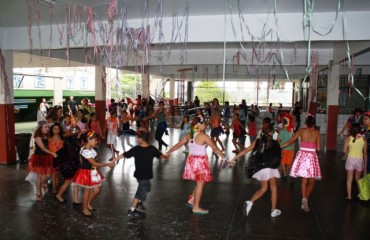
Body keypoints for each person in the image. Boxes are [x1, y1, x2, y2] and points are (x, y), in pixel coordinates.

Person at [165, 116, 226, 215]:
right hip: (200, 162)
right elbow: (215, 148)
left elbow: (178, 145)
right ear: (199, 125)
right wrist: (224, 157)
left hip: (191, 161)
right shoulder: (203, 136)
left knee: (201, 182)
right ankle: (196, 207)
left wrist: (168, 152)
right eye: (204, 123)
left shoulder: (189, 134)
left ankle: (192, 199)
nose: (205, 125)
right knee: (200, 183)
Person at [230, 125, 282, 217]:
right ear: (272, 133)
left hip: (261, 168)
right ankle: (273, 210)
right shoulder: (275, 142)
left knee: (263, 188)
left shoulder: (258, 141)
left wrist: (234, 158)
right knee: (273, 188)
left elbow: (246, 150)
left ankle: (250, 202)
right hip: (271, 168)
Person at [114, 130, 168, 217]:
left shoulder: (151, 149)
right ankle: (132, 210)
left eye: (137, 137)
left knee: (147, 188)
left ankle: (138, 202)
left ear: (142, 138)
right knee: (140, 191)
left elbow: (161, 155)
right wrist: (113, 160)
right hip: (142, 175)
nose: (136, 138)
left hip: (143, 175)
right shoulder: (140, 149)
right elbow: (124, 154)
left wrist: (166, 156)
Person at [280, 115, 321, 212]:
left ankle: (304, 198)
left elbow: (290, 141)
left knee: (304, 180)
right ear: (314, 123)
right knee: (312, 181)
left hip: (302, 156)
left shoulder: (301, 131)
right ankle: (305, 198)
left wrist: (280, 146)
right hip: (312, 156)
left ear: (306, 123)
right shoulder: (317, 133)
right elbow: (318, 148)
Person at [72, 131, 116, 216]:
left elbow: (85, 161)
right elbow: (94, 163)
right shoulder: (85, 151)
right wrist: (107, 164)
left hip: (92, 171)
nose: (97, 142)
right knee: (87, 191)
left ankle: (87, 203)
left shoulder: (91, 149)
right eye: (95, 140)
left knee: (97, 189)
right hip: (87, 172)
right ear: (88, 140)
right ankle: (84, 208)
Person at [27, 121, 57, 201]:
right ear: (40, 128)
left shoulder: (48, 136)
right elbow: (43, 148)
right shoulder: (37, 137)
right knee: (39, 176)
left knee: (47, 175)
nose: (47, 128)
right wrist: (52, 153)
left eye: (48, 127)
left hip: (47, 157)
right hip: (39, 157)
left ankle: (43, 183)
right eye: (45, 127)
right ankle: (38, 192)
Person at [343, 123, 367, 201]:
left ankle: (349, 196)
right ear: (360, 130)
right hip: (360, 160)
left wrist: (349, 149)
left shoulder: (348, 139)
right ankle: (362, 194)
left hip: (350, 159)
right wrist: (365, 165)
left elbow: (344, 151)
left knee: (349, 179)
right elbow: (365, 154)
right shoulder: (363, 139)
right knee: (358, 179)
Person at [277, 113, 295, 180]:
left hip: (283, 149)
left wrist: (277, 147)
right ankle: (292, 174)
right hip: (291, 149)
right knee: (289, 162)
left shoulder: (282, 131)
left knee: (283, 162)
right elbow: (293, 139)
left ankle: (284, 175)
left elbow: (279, 140)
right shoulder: (291, 131)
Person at [48, 123, 64, 194]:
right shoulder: (49, 138)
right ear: (52, 129)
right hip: (52, 157)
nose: (56, 130)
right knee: (53, 172)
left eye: (58, 129)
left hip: (60, 157)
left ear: (60, 130)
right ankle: (54, 186)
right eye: (54, 129)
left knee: (58, 171)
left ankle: (58, 178)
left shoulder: (62, 137)